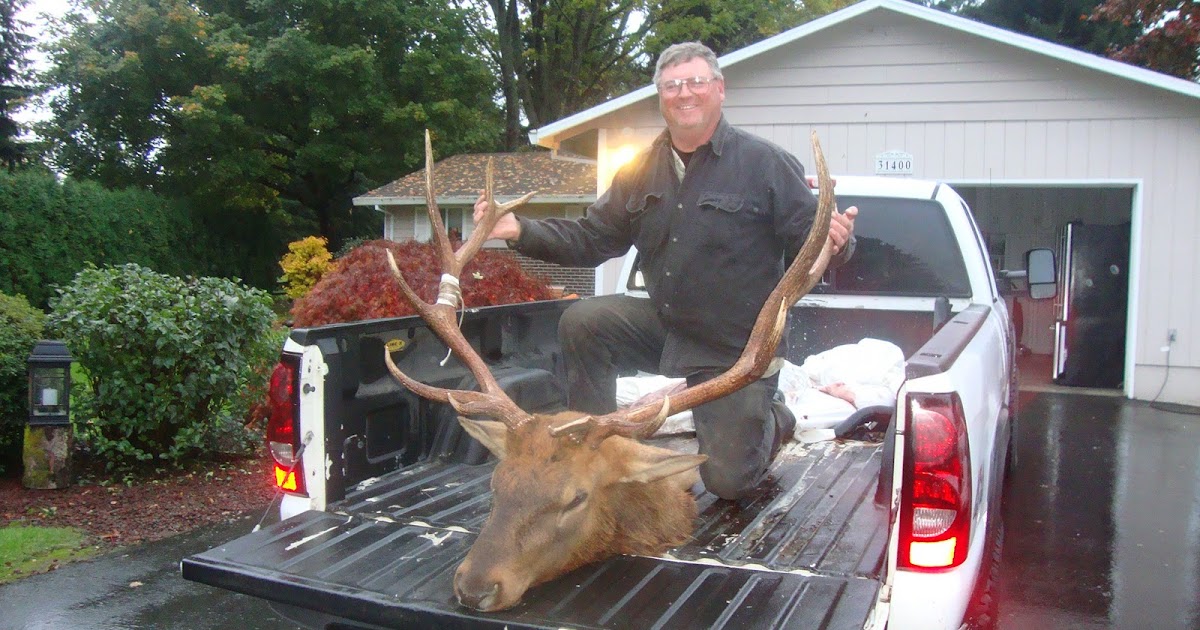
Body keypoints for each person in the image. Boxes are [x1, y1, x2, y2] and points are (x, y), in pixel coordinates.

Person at [473, 42, 858, 500]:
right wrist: (519, 229)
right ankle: (594, 449)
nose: (684, 93)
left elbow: (814, 241)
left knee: (728, 483)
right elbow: (594, 237)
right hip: (668, 327)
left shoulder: (764, 163)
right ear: (661, 96)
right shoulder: (640, 170)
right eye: (672, 86)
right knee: (585, 320)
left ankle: (774, 417)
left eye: (695, 82)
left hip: (737, 349)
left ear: (719, 89)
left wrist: (839, 241)